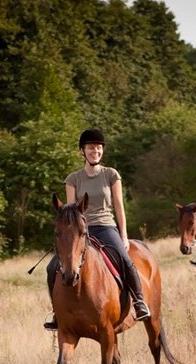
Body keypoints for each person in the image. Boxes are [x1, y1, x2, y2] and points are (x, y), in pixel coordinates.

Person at [44, 129, 151, 330]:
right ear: (82, 151)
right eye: (91, 147)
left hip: (106, 227)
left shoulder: (111, 174)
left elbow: (119, 206)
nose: (96, 151)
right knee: (51, 267)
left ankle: (139, 301)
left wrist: (124, 235)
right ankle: (57, 313)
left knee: (125, 259)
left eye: (99, 147)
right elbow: (70, 212)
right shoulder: (72, 179)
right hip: (81, 231)